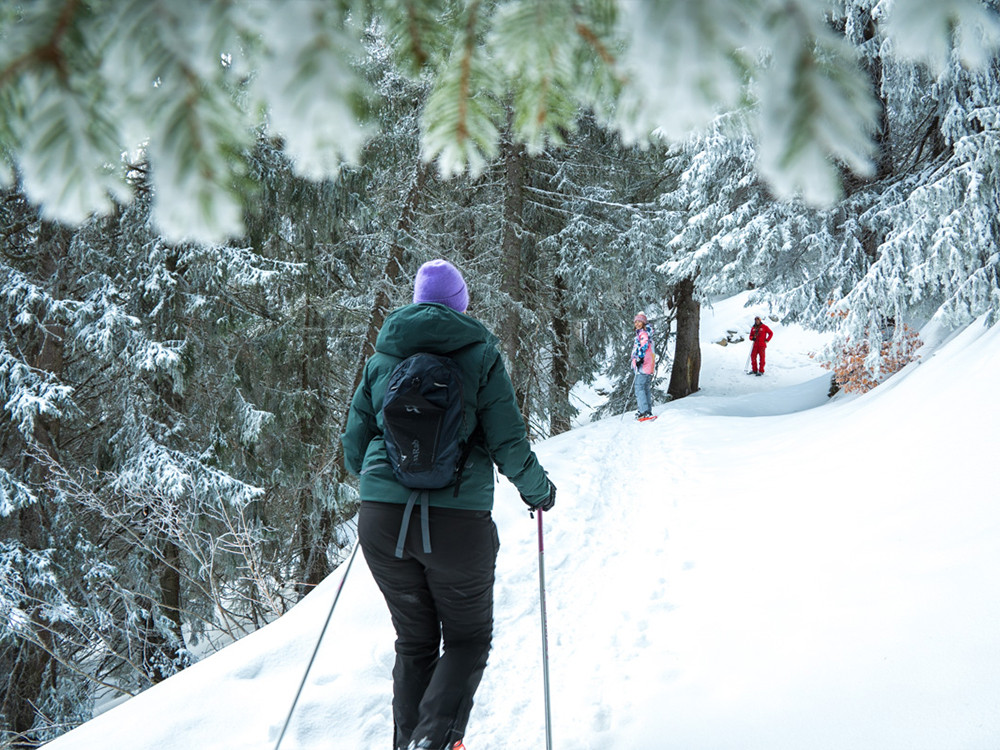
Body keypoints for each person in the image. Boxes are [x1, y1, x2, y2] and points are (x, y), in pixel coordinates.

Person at [341, 259, 556, 750]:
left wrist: (387, 481)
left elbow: (354, 451)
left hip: (382, 525)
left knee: (414, 642)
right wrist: (539, 491)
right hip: (458, 527)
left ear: (417, 302)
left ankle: (409, 743)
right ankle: (432, 741)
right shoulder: (480, 357)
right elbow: (508, 444)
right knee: (466, 639)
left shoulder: (382, 360)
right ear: (461, 303)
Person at [631, 312, 655, 419]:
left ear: (644, 322)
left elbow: (644, 345)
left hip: (643, 364)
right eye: (636, 321)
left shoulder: (643, 334)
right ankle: (647, 410)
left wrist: (639, 358)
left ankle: (643, 411)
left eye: (639, 321)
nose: (637, 323)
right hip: (648, 364)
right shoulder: (645, 333)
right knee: (645, 387)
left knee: (639, 387)